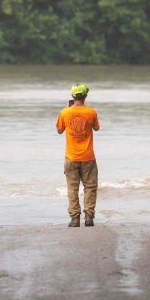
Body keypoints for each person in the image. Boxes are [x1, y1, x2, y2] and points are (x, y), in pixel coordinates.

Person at [56, 83, 100, 227]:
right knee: (90, 187)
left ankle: (75, 219)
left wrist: (69, 110)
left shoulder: (65, 112)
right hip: (88, 157)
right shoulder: (91, 112)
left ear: (72, 96)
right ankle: (89, 218)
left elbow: (59, 130)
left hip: (71, 157)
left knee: (72, 188)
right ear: (85, 96)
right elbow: (96, 128)